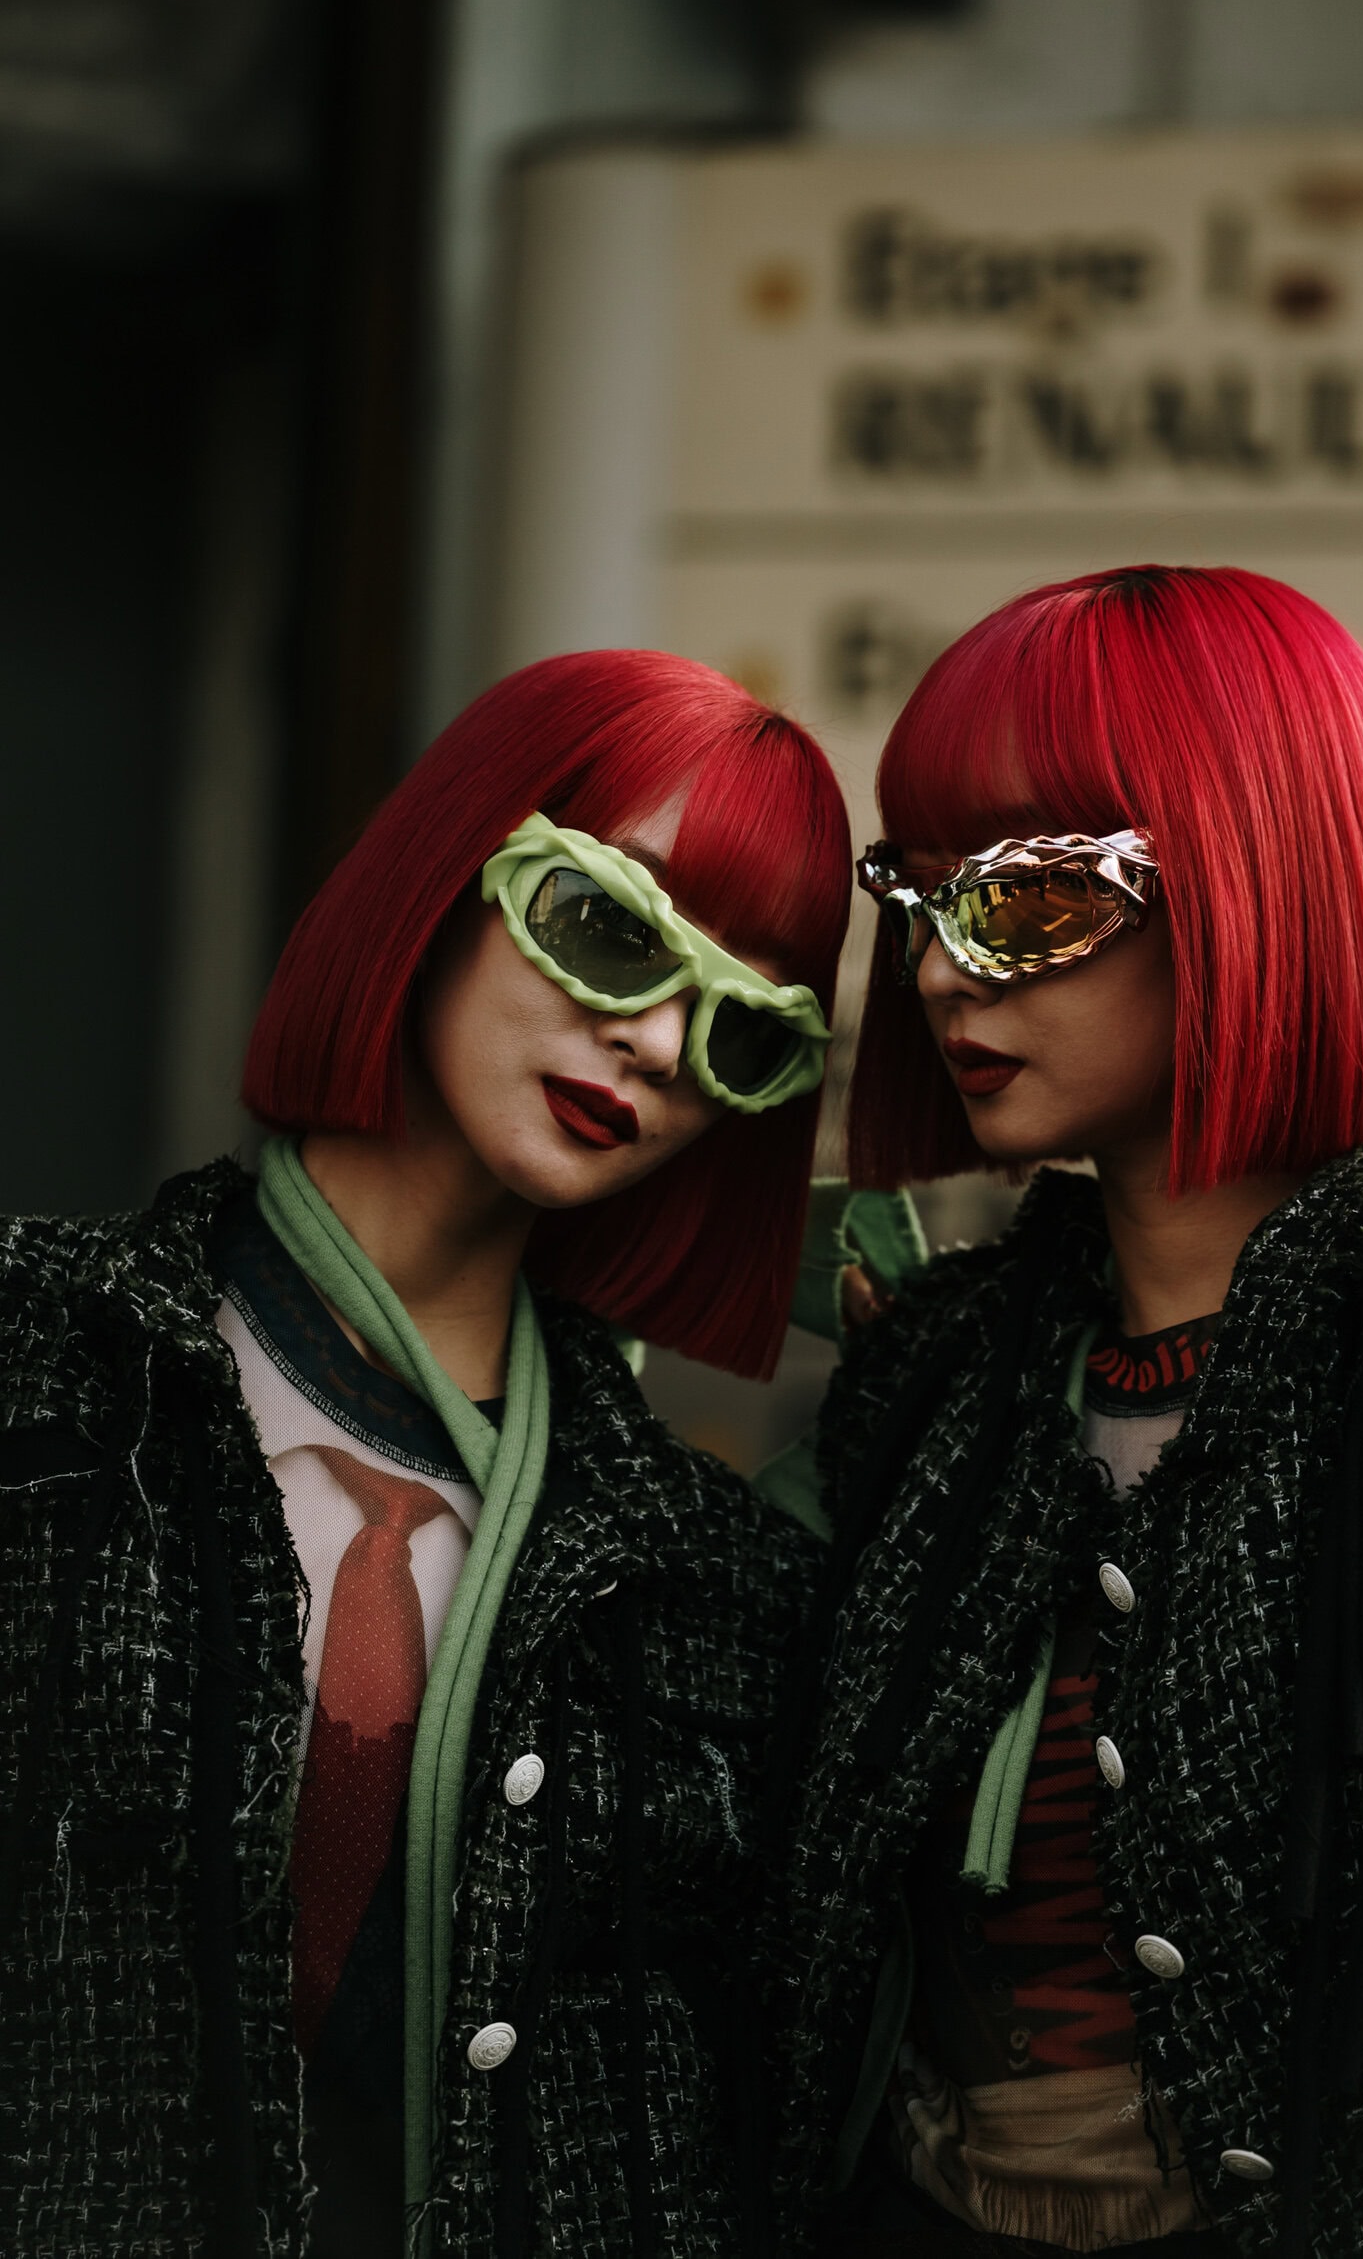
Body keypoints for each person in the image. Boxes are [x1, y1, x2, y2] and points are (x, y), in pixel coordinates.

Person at [760, 566, 1363, 2259]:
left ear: (1260, 881)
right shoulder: (925, 1390)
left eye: (1029, 900)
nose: (943, 972)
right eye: (922, 897)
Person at [0, 648, 881, 2259]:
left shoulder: (719, 1583)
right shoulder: (41, 1365)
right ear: (449, 870)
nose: (657, 1042)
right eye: (611, 929)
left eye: (743, 1033)